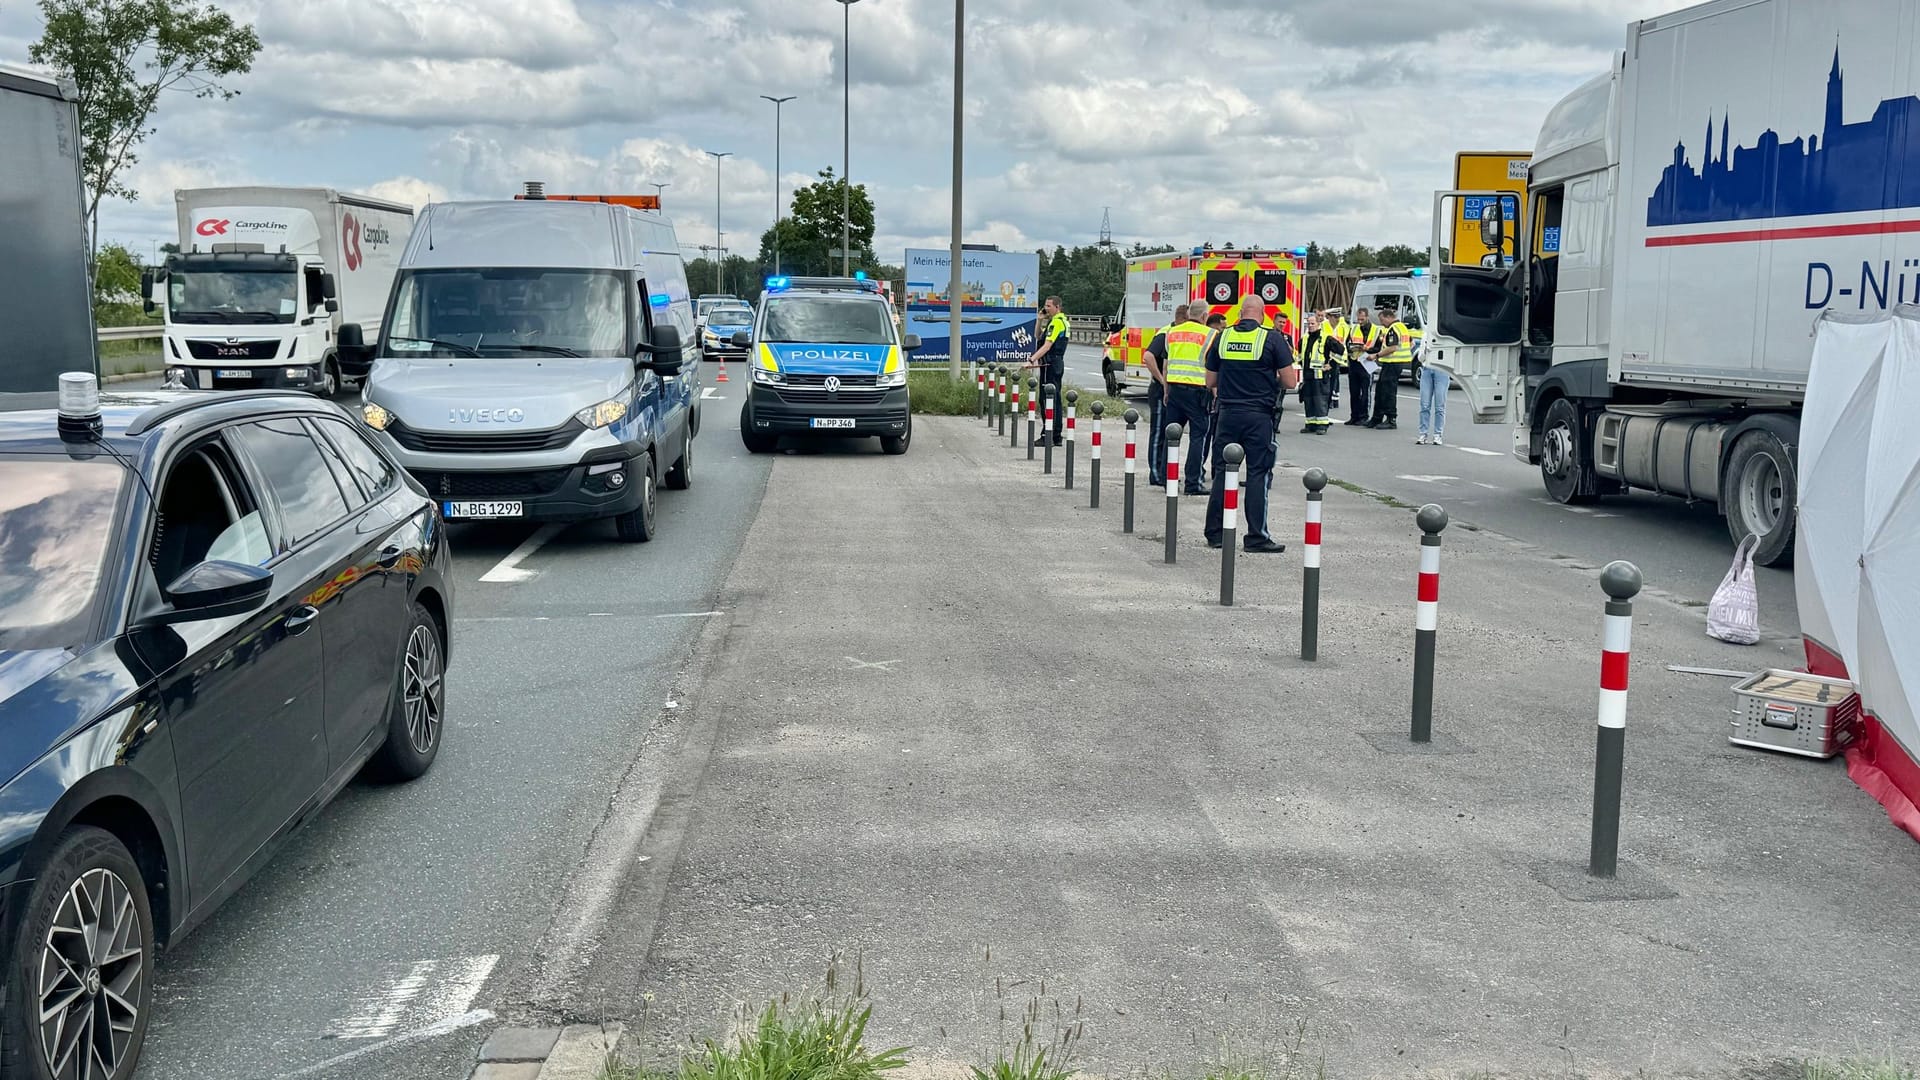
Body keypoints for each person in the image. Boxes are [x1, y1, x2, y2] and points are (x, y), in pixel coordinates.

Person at [1204, 295, 1299, 553]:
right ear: (1263, 313)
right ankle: (1256, 536)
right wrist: (1268, 381)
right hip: (1258, 416)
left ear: (1240, 313)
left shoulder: (1223, 337)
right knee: (1258, 474)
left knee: (1223, 471)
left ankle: (1215, 533)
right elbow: (1290, 382)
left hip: (1227, 415)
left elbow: (1210, 381)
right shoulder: (1272, 339)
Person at [1152, 304, 1213, 494]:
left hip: (1175, 390)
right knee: (1198, 437)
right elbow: (1213, 367)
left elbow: (1166, 365)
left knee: (1171, 435)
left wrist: (1166, 390)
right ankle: (1192, 483)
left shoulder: (1172, 332)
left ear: (1188, 314)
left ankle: (1166, 478)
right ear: (1204, 316)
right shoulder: (1210, 335)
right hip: (1197, 392)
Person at [1139, 303, 1189, 486]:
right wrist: (1162, 380)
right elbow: (1148, 357)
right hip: (1160, 390)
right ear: (1183, 318)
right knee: (1159, 432)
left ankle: (1166, 472)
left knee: (1170, 433)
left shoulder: (1180, 334)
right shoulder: (1166, 333)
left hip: (1174, 392)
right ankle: (1156, 473)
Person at [1025, 295, 1070, 444]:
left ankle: (1048, 435)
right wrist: (1039, 320)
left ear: (1058, 307)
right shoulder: (1055, 322)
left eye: (1049, 306)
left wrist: (1031, 360)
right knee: (1054, 398)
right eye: (1045, 305)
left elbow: (1047, 345)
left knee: (1047, 399)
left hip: (1050, 363)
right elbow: (1038, 336)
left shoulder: (1057, 323)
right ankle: (1055, 435)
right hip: (1053, 363)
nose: (1046, 308)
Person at [1296, 311, 1344, 435]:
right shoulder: (1304, 339)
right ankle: (1310, 424)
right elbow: (1301, 355)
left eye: (1312, 323)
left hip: (1320, 375)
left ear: (1318, 324)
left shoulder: (1326, 338)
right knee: (1308, 400)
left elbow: (1341, 350)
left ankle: (1322, 425)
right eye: (1308, 324)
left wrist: (1331, 365)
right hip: (1307, 375)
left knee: (1320, 400)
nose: (1310, 326)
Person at [1366, 306, 1411, 429]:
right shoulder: (1402, 327)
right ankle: (1377, 418)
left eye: (1382, 320)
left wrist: (1376, 355)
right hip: (1395, 363)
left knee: (1388, 392)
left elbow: (1393, 347)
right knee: (1380, 390)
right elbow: (1410, 343)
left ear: (1389, 317)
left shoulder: (1393, 328)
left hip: (1393, 363)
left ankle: (1391, 419)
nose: (1381, 323)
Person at [1344, 307, 1381, 425]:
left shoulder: (1376, 330)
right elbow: (1347, 343)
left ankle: (1364, 416)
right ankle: (1354, 416)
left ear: (1367, 317)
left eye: (1362, 319)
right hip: (1355, 362)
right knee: (1354, 391)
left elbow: (1379, 348)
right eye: (1358, 319)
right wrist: (1352, 348)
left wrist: (1368, 349)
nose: (1359, 321)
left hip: (1367, 362)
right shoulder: (1354, 328)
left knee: (1365, 392)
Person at [1417, 354, 1448, 445]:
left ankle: (1437, 435)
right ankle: (1423, 433)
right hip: (1427, 369)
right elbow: (1420, 357)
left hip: (1442, 370)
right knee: (1425, 405)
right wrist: (1425, 353)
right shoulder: (1426, 339)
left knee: (1439, 406)